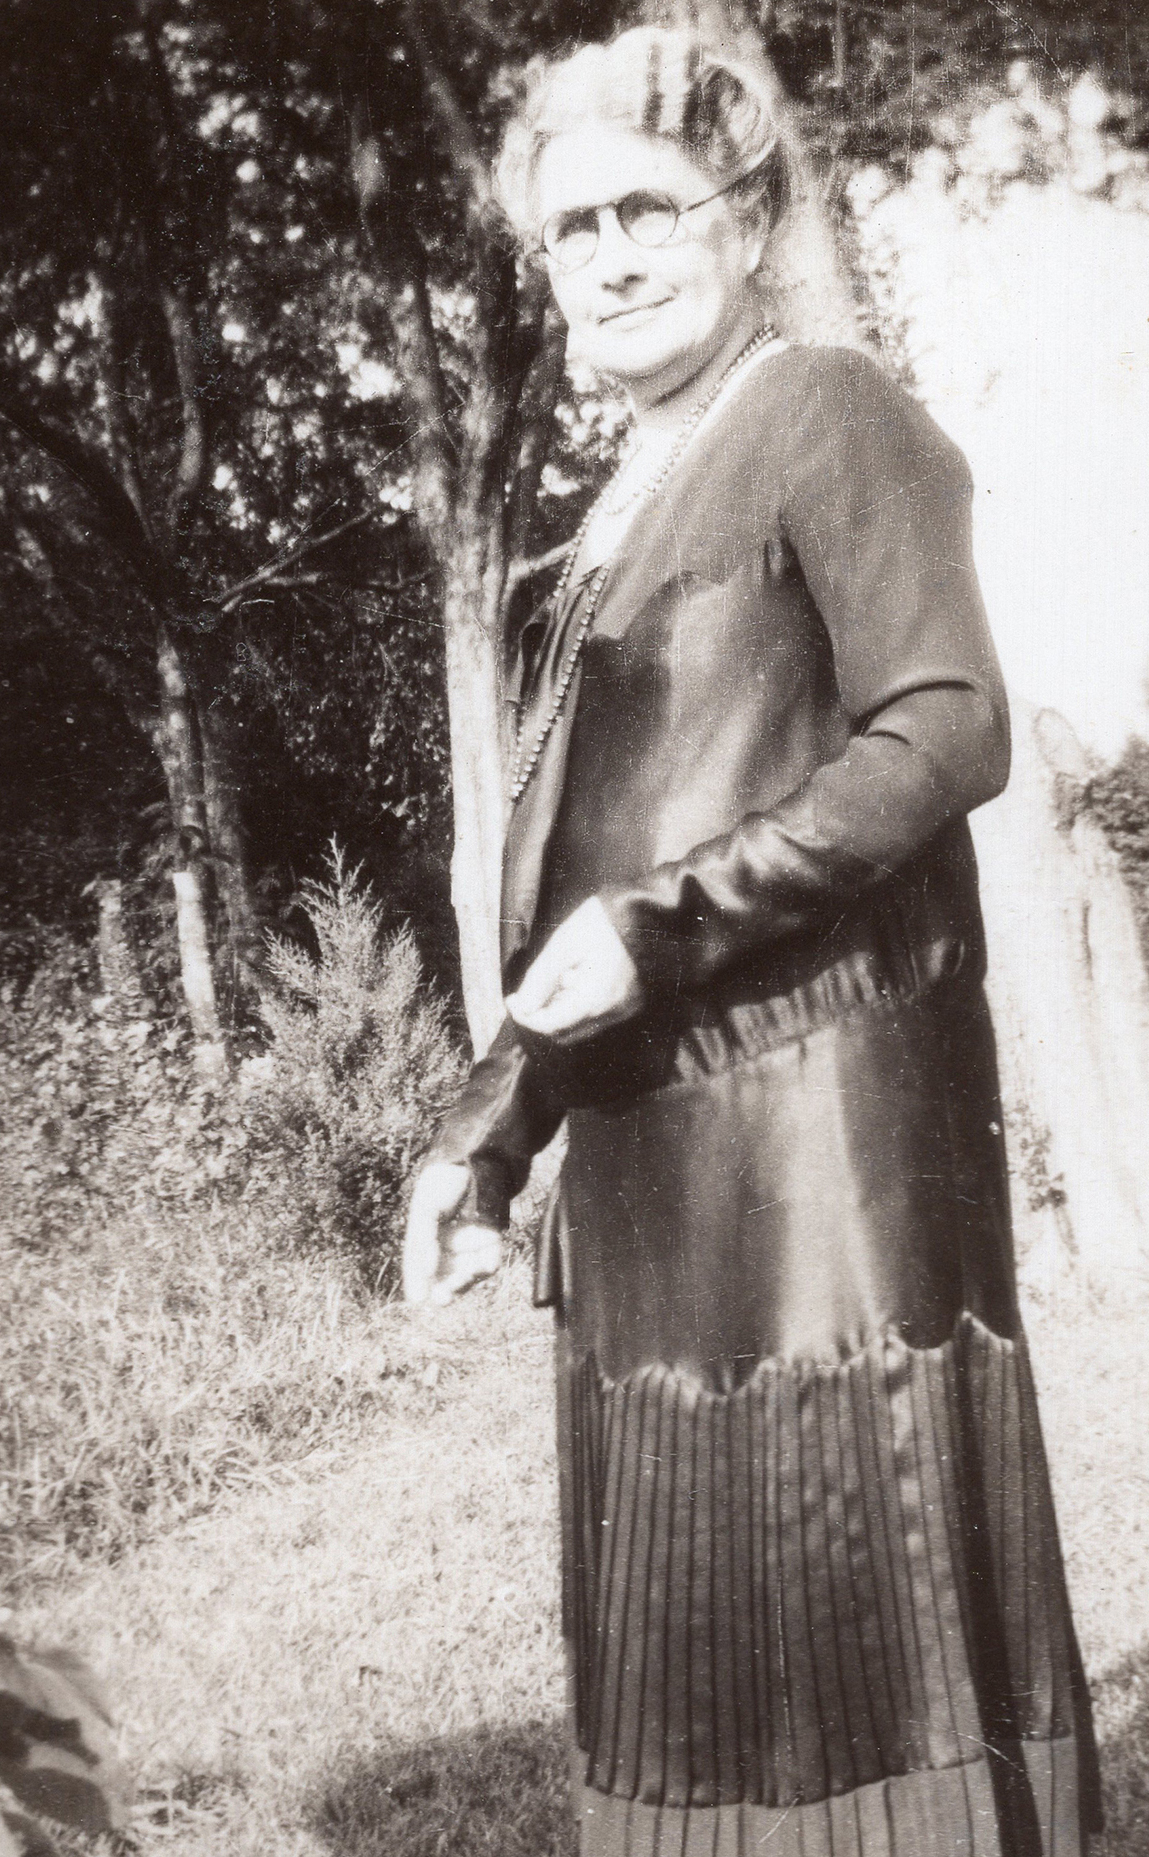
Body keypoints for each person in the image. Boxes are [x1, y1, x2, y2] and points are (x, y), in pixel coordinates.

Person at [402, 28, 1099, 1856]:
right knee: (696, 1674)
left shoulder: (826, 413)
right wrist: (489, 1130)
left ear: (749, 212)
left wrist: (666, 923)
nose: (611, 257)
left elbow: (946, 726)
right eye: (573, 230)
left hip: (825, 1173)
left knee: (850, 1640)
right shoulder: (599, 532)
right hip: (651, 1184)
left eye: (649, 208)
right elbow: (592, 882)